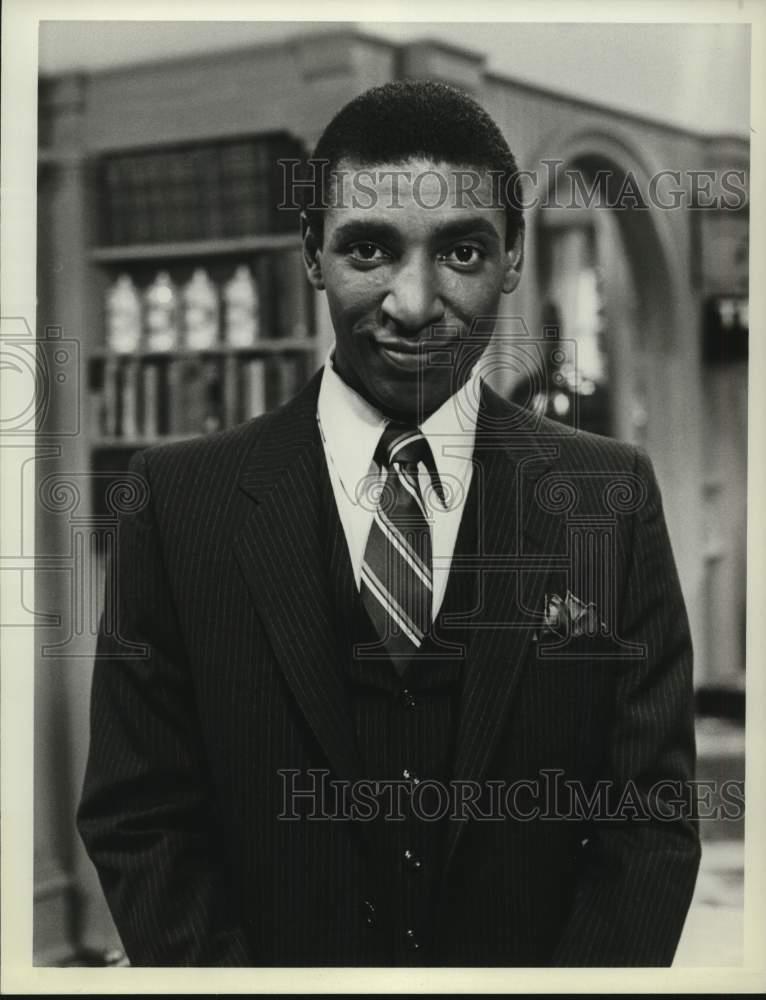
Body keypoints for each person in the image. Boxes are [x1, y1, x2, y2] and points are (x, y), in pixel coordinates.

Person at [77, 80, 700, 967]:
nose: (412, 304)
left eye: (461, 252)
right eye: (370, 249)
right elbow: (140, 819)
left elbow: (652, 822)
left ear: (515, 258)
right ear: (312, 252)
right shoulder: (178, 503)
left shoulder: (611, 495)